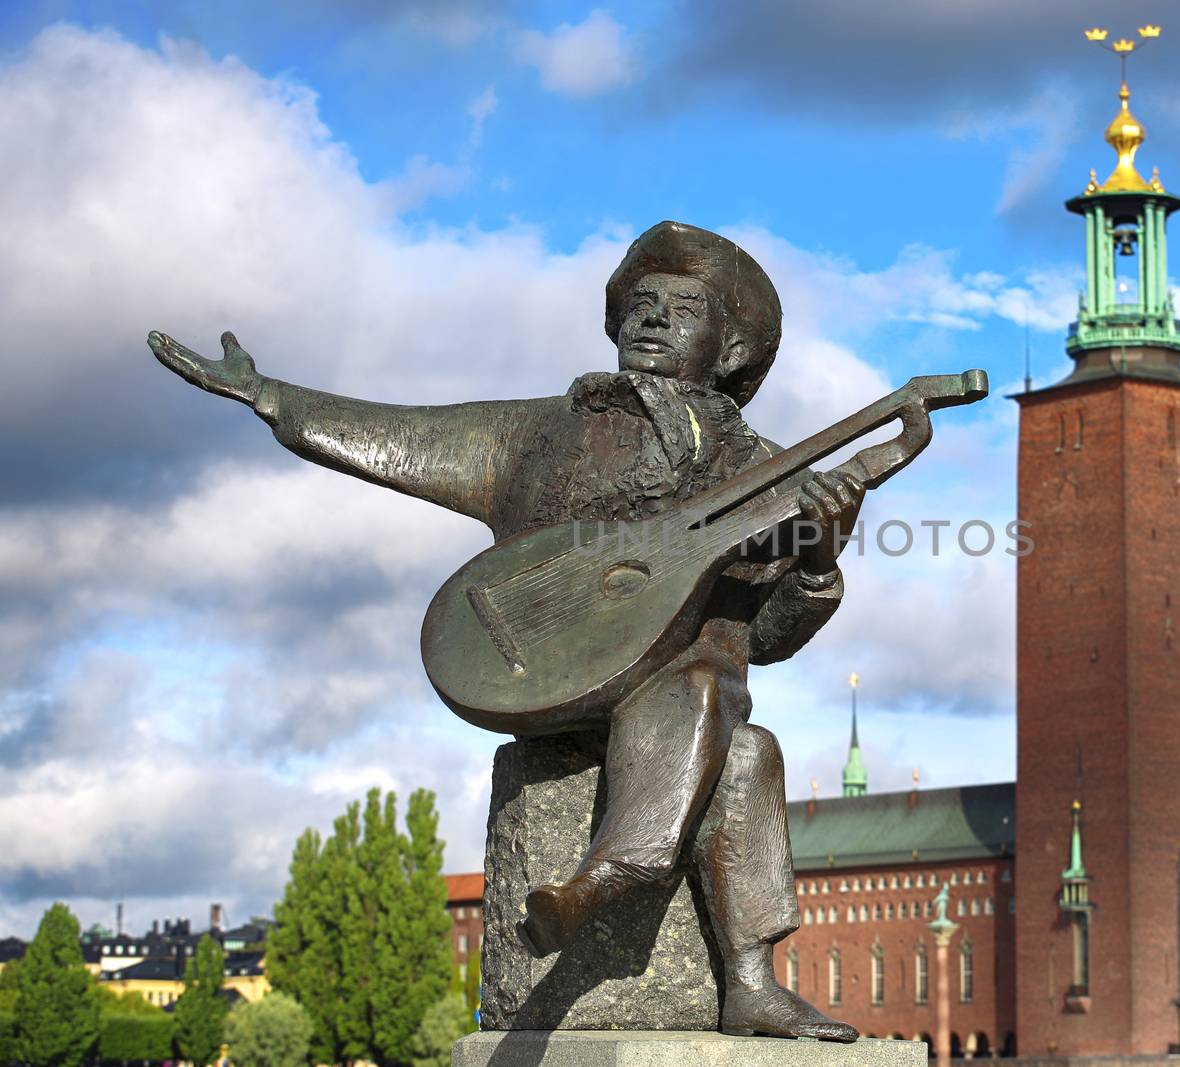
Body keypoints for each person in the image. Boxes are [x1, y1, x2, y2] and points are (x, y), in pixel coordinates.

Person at [148, 221, 862, 1041]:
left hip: (684, 702)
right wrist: (270, 396)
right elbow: (402, 436)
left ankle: (742, 979)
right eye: (640, 303)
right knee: (711, 700)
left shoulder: (769, 472)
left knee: (746, 747)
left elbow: (766, 637)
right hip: (547, 676)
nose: (653, 319)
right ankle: (625, 878)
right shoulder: (539, 432)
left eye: (682, 308)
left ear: (731, 345)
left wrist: (815, 566)